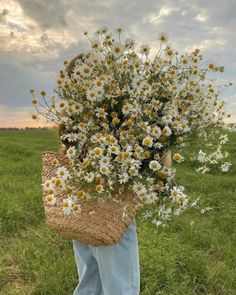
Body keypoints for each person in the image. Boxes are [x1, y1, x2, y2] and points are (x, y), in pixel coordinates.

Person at [63, 53, 172, 295]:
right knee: (120, 286)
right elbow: (159, 160)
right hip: (112, 213)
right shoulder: (116, 115)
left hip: (81, 212)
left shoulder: (74, 120)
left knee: (89, 281)